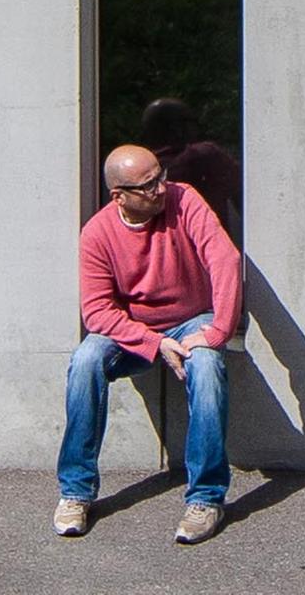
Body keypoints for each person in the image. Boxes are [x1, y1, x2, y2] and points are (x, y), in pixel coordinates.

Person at [54, 143, 244, 546]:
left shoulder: (184, 199)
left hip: (193, 320)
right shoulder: (98, 234)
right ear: (119, 195)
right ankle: (75, 492)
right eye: (147, 185)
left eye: (161, 176)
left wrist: (217, 331)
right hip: (135, 331)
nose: (160, 188)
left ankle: (206, 498)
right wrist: (154, 343)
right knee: (86, 358)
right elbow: (98, 313)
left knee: (207, 364)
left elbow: (224, 259)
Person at [139, 97, 245, 234]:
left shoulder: (136, 169)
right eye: (192, 122)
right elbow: (246, 201)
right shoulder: (204, 155)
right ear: (177, 128)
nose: (196, 127)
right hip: (209, 250)